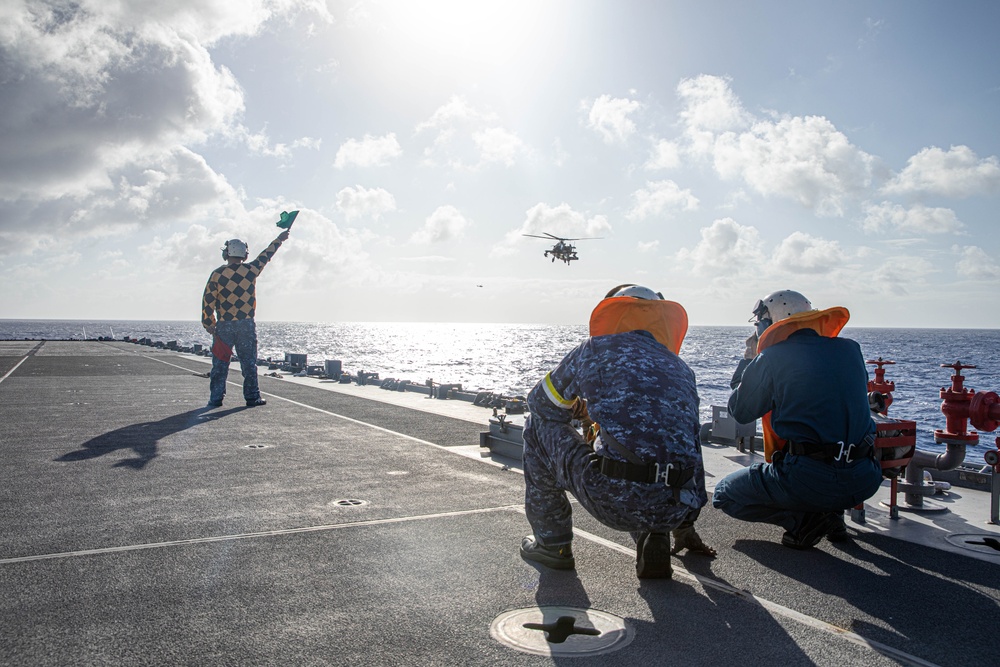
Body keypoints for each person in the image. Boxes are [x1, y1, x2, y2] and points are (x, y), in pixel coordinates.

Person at [519, 284, 715, 580]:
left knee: (535, 426)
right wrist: (685, 522)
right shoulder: (682, 368)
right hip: (676, 509)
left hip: (615, 501)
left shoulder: (594, 350)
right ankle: (653, 533)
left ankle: (552, 544)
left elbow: (540, 403)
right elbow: (690, 446)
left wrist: (577, 409)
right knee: (647, 459)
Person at [712, 290, 883, 549]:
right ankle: (831, 514)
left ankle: (803, 520)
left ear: (770, 322)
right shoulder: (850, 349)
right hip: (864, 478)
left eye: (759, 321)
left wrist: (748, 360)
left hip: (809, 479)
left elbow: (741, 410)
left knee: (724, 495)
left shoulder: (772, 358)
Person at [202, 229, 290, 408]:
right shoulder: (251, 270)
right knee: (249, 363)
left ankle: (216, 398)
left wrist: (209, 323)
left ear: (227, 253)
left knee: (220, 364)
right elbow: (267, 254)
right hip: (246, 325)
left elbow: (208, 300)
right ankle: (252, 397)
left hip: (224, 325)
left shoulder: (217, 274)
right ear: (244, 253)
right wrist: (280, 239)